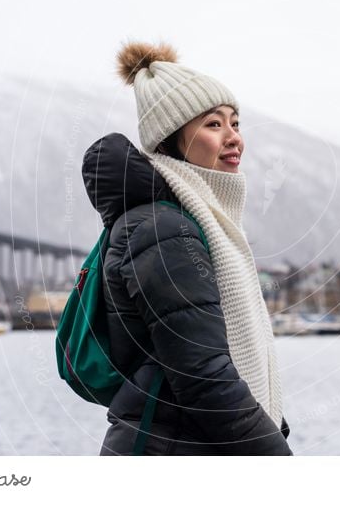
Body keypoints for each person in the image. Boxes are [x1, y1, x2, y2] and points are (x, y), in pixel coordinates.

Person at [82, 41, 292, 455]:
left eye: (235, 123)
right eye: (214, 125)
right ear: (171, 139)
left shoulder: (197, 221)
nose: (234, 139)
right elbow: (205, 378)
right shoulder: (162, 231)